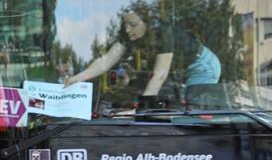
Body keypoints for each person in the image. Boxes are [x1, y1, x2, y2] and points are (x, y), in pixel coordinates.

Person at [65, 10, 221, 99]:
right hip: (180, 68)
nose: (127, 30)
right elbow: (105, 62)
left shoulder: (163, 33)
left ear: (146, 23)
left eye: (132, 24)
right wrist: (75, 79)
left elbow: (160, 75)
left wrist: (143, 107)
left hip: (202, 66)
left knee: (192, 108)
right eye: (124, 24)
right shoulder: (128, 34)